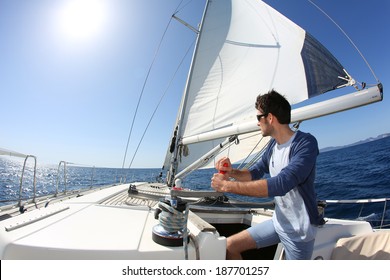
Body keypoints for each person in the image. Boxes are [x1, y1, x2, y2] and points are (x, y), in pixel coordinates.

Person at [211, 90, 323, 260]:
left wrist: (226, 186)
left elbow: (282, 183)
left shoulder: (305, 144)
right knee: (228, 247)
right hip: (279, 223)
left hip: (299, 232)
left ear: (269, 118)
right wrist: (231, 172)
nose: (257, 123)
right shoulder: (272, 146)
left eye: (258, 118)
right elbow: (254, 172)